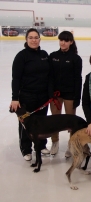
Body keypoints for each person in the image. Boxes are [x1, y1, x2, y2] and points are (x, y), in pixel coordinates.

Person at [10, 28, 51, 161]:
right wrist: (15, 98)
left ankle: (41, 146)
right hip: (27, 97)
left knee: (42, 123)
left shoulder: (44, 54)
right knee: (26, 124)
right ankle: (26, 149)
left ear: (40, 39)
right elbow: (16, 78)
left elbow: (49, 75)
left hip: (43, 97)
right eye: (31, 37)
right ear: (26, 40)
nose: (34, 40)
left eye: (36, 37)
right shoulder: (21, 56)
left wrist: (50, 94)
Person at [48, 31, 82, 156]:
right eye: (61, 40)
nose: (63, 43)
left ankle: (71, 144)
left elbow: (78, 79)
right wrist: (50, 93)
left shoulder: (76, 58)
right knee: (54, 120)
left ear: (71, 42)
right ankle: (55, 141)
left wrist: (78, 96)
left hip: (70, 94)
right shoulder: (53, 56)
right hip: (56, 95)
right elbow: (50, 76)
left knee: (70, 121)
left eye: (66, 40)